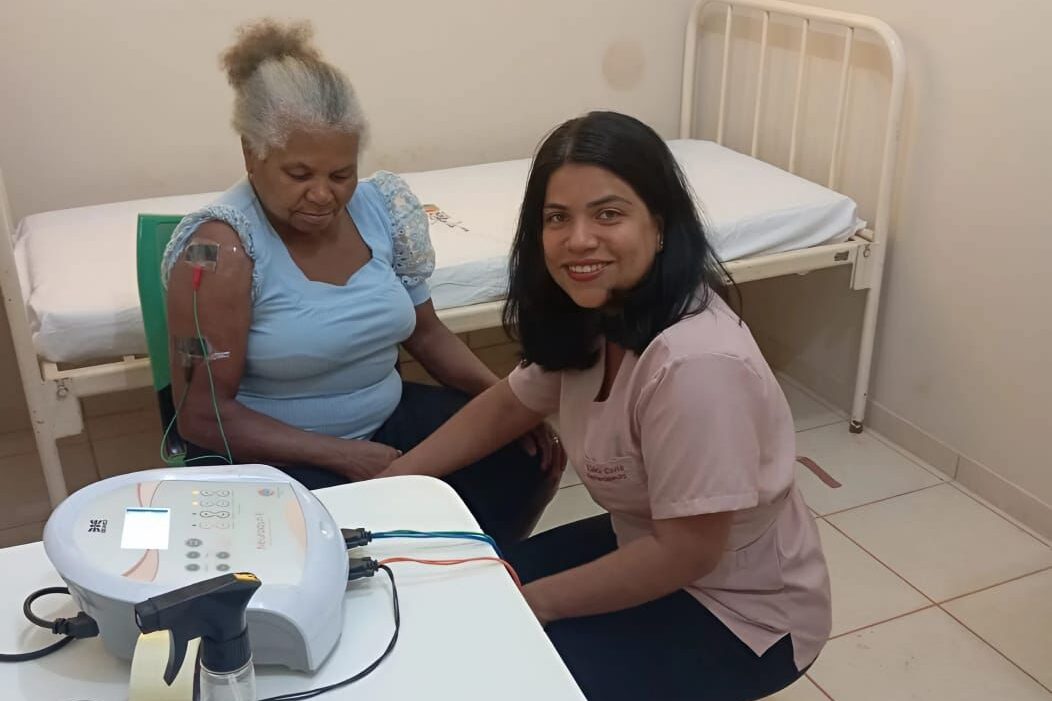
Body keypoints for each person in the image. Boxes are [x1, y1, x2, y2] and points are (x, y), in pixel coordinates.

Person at [382, 111, 832, 700]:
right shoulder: (600, 312)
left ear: (660, 224)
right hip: (644, 541)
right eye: (557, 218)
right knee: (467, 600)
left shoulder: (697, 364)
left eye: (608, 214)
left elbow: (688, 553)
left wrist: (532, 606)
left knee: (496, 669)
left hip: (741, 613)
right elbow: (509, 405)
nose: (578, 240)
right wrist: (390, 483)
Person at [161, 19, 562, 547]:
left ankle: (481, 570)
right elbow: (202, 417)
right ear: (251, 154)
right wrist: (343, 456)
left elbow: (427, 334)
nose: (323, 195)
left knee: (525, 457)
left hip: (387, 416)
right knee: (354, 545)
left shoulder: (382, 210)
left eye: (340, 175)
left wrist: (507, 404)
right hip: (276, 452)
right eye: (300, 175)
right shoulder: (219, 253)